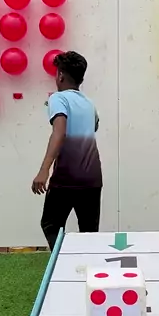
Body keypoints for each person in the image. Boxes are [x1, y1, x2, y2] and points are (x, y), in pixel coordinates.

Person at [32, 51, 102, 250]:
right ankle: (87, 264)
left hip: (67, 177)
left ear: (60, 76)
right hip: (93, 178)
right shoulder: (89, 103)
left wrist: (44, 170)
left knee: (51, 224)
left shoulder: (58, 98)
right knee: (89, 232)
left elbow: (60, 132)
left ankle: (63, 261)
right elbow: (94, 127)